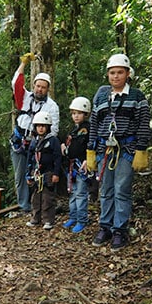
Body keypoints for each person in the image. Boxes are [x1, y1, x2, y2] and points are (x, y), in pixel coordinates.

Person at [87, 54, 150, 251]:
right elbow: (94, 125)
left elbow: (143, 124)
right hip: (105, 149)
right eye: (112, 73)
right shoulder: (101, 97)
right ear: (108, 75)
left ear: (128, 73)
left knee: (122, 189)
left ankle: (119, 230)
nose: (116, 76)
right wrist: (91, 150)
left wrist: (141, 149)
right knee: (105, 190)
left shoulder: (137, 96)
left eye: (120, 72)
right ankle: (105, 226)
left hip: (126, 149)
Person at [10, 53, 59, 214]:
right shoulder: (25, 97)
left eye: (43, 87)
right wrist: (24, 63)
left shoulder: (52, 106)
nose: (39, 89)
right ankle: (25, 207)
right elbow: (16, 84)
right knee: (20, 176)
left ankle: (39, 206)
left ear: (47, 89)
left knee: (39, 175)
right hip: (20, 141)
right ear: (34, 85)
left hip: (39, 144)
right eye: (38, 86)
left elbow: (54, 129)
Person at [25, 111, 61, 229]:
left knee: (48, 197)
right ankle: (36, 218)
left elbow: (57, 157)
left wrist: (56, 173)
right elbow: (30, 158)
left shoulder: (53, 140)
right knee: (36, 197)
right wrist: (28, 174)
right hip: (36, 173)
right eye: (38, 126)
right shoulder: (34, 141)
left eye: (43, 126)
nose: (41, 128)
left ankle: (48, 220)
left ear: (48, 127)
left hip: (48, 172)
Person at [61, 97, 91, 233]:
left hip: (81, 165)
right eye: (73, 113)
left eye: (79, 113)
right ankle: (73, 216)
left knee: (80, 193)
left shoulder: (88, 129)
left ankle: (82, 220)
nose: (76, 116)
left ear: (86, 114)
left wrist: (88, 159)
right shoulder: (74, 130)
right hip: (71, 166)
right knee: (72, 193)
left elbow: (89, 146)